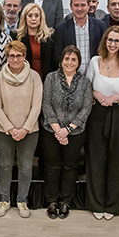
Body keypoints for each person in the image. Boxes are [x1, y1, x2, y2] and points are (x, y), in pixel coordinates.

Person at [86, 26, 119, 220]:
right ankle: (96, 203)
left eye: (117, 41)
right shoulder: (95, 61)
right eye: (110, 40)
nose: (113, 44)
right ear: (104, 41)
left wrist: (116, 97)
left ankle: (113, 205)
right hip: (98, 116)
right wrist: (96, 94)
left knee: (118, 163)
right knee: (96, 161)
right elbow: (87, 87)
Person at [0, 41, 43, 218]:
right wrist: (11, 129)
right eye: (11, 56)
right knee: (4, 166)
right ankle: (4, 200)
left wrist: (25, 129)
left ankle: (22, 201)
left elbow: (37, 105)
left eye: (19, 56)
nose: (15, 59)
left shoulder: (34, 77)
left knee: (26, 167)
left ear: (24, 57)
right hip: (3, 131)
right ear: (6, 57)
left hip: (29, 131)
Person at [41, 45, 92, 219]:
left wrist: (68, 130)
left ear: (78, 62)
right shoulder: (51, 78)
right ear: (61, 61)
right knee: (53, 166)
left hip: (75, 133)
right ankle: (52, 201)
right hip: (51, 131)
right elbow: (46, 104)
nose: (69, 62)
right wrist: (58, 131)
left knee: (70, 167)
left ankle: (65, 201)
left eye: (73, 59)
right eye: (67, 59)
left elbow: (86, 109)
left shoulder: (85, 82)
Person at [53, 0, 107, 73]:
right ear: (71, 7)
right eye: (76, 5)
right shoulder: (61, 29)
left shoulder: (100, 26)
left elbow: (104, 52)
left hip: (95, 74)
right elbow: (58, 56)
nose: (79, 9)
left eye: (83, 5)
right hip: (71, 75)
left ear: (88, 6)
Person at [15, 3, 57, 81]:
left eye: (37, 16)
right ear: (24, 18)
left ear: (41, 18)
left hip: (46, 79)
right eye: (30, 16)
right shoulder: (17, 37)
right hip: (23, 79)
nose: (33, 19)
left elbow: (54, 62)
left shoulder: (50, 37)